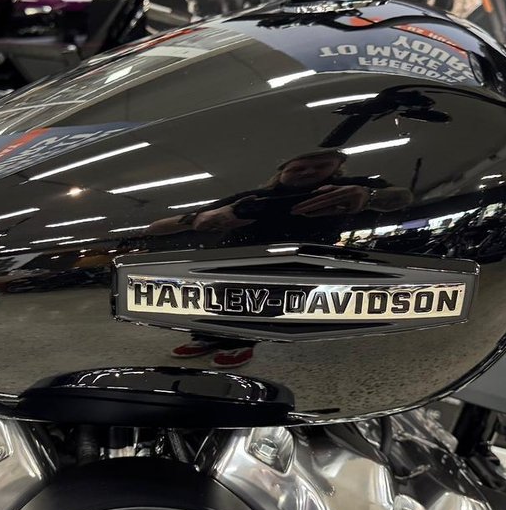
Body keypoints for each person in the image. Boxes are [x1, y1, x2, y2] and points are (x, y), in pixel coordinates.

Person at [150, 151, 413, 367]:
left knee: (269, 304)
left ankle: (241, 342)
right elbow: (158, 227)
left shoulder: (351, 188)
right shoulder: (251, 198)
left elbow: (404, 197)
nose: (308, 172)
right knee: (218, 298)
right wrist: (197, 218)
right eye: (298, 168)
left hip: (301, 261)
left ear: (337, 169)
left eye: (321, 166)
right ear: (282, 172)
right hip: (237, 258)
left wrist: (369, 196)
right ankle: (206, 336)